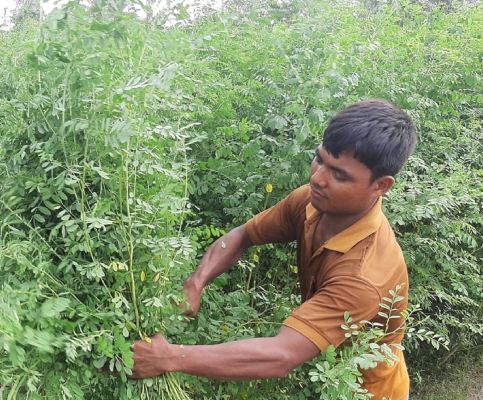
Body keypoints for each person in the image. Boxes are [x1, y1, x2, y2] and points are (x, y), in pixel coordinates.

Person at [128, 99, 417, 400]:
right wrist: (196, 282)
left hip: (366, 390)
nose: (317, 178)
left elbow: (280, 356)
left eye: (339, 175)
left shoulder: (365, 275)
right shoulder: (310, 201)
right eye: (319, 160)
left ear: (381, 186)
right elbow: (242, 237)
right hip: (329, 369)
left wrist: (168, 357)